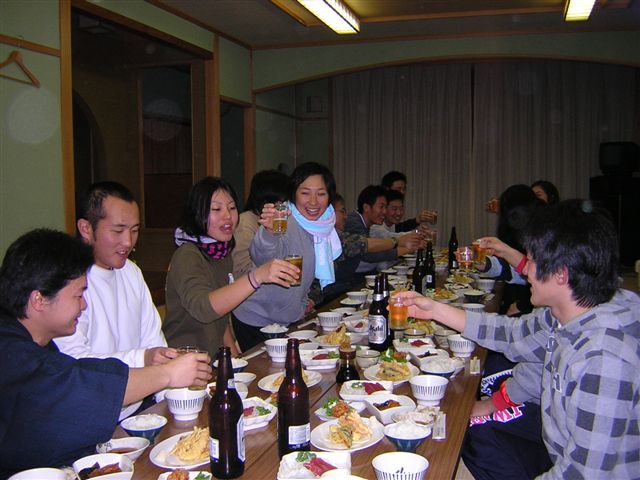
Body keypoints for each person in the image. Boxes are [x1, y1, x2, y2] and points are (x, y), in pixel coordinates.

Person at [395, 199, 640, 479]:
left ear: (561, 274)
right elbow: (513, 334)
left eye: (532, 261)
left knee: (470, 437)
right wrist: (434, 309)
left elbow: (584, 474)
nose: (524, 270)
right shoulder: (568, 313)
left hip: (585, 469)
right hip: (555, 443)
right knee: (465, 429)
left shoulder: (604, 359)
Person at [0, 229, 212, 477]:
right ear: (39, 299)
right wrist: (167, 374)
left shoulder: (33, 341)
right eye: (78, 295)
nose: (84, 304)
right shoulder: (9, 352)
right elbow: (76, 386)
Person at [54, 181, 171, 420]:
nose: (128, 241)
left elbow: (153, 341)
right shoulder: (68, 283)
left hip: (139, 408)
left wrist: (170, 402)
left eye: (134, 230)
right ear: (86, 229)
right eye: (118, 231)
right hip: (91, 414)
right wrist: (142, 358)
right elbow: (75, 362)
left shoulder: (131, 272)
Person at [163, 177, 298, 357]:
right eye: (216, 209)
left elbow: (222, 316)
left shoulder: (222, 253)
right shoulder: (187, 255)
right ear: (196, 212)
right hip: (182, 359)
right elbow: (203, 308)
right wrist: (256, 277)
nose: (227, 216)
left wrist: (235, 360)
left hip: (212, 359)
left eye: (232, 208)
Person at [232, 162, 342, 351]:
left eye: (321, 194)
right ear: (293, 194)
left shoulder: (323, 227)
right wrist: (269, 231)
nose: (313, 202)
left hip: (289, 318)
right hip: (257, 318)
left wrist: (302, 304)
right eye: (305, 193)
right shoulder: (284, 218)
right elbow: (263, 256)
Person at [344, 185, 423, 274]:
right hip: (348, 279)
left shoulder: (365, 222)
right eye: (381, 207)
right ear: (366, 207)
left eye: (385, 207)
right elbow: (367, 255)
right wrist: (404, 247)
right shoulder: (353, 221)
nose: (385, 212)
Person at [233, 169, 289, 279]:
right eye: (282, 201)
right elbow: (241, 271)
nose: (284, 205)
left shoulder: (283, 219)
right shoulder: (245, 223)